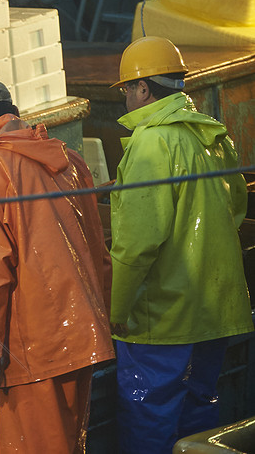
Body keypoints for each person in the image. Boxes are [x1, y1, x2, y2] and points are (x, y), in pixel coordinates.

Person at [108, 36, 253, 453]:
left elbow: (137, 243)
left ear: (144, 89)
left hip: (165, 320)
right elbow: (236, 207)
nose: (126, 101)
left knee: (149, 419)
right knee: (198, 418)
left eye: (127, 91)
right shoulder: (211, 134)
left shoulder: (153, 143)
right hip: (217, 309)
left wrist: (118, 309)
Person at [0, 79, 114, 453]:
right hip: (83, 335)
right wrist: (104, 317)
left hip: (35, 351)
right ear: (12, 113)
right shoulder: (69, 159)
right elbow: (98, 249)